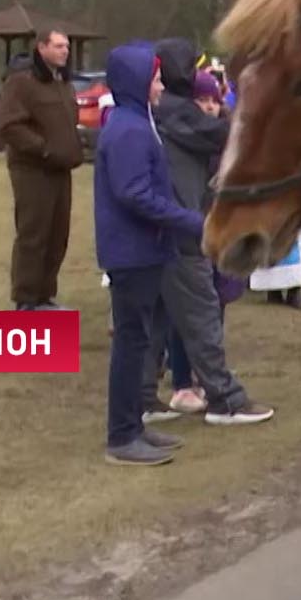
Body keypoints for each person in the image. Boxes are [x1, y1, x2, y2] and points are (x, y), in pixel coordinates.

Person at [148, 38, 273, 427]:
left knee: (153, 319)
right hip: (184, 230)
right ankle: (225, 400)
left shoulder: (159, 112)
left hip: (164, 229)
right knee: (203, 314)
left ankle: (142, 397)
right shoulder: (178, 113)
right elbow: (228, 134)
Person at [94, 41, 205, 467]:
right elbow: (135, 194)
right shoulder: (128, 129)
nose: (160, 85)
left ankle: (134, 426)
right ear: (137, 82)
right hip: (131, 253)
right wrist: (189, 221)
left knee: (139, 341)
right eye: (155, 78)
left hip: (146, 250)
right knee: (130, 344)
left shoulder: (137, 122)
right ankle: (122, 435)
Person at [0, 29, 84, 311]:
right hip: (33, 170)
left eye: (67, 46)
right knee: (34, 233)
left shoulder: (63, 83)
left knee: (58, 235)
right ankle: (26, 299)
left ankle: (45, 295)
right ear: (42, 47)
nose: (64, 51)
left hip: (61, 170)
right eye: (58, 46)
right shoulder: (22, 82)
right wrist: (43, 148)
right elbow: (9, 125)